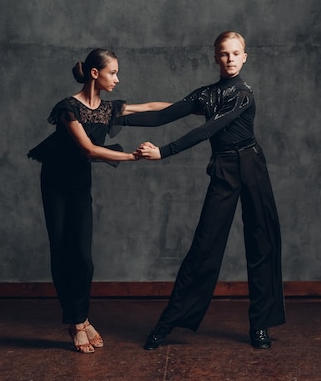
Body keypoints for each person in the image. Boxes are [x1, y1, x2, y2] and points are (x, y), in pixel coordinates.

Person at [116, 31, 286, 349]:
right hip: (224, 168)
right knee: (204, 246)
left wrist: (163, 152)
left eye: (236, 53)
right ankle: (167, 325)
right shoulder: (206, 95)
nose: (231, 58)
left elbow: (207, 129)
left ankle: (260, 325)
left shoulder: (243, 93)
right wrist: (119, 116)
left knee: (262, 242)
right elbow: (164, 114)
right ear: (215, 57)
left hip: (251, 165)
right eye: (224, 53)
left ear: (245, 57)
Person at [27, 48, 170, 353]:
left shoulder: (107, 109)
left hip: (79, 186)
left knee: (83, 257)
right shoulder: (68, 108)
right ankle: (78, 322)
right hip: (55, 184)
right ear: (95, 73)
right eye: (113, 72)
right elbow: (89, 150)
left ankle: (80, 318)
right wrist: (131, 156)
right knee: (62, 250)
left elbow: (151, 108)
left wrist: (192, 107)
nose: (117, 78)